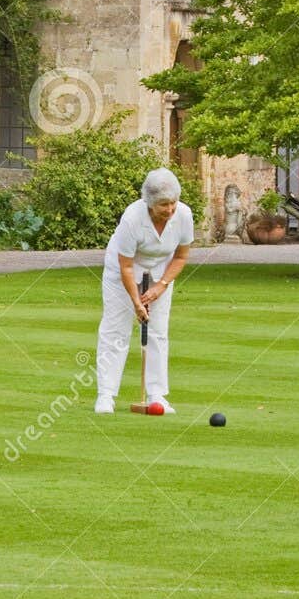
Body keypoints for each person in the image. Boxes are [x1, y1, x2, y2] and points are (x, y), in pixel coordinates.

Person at [94, 168, 193, 414]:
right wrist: (137, 303)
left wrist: (161, 286)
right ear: (149, 202)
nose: (170, 209)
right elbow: (126, 266)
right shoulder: (132, 218)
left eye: (173, 202)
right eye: (163, 204)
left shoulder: (183, 215)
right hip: (122, 271)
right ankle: (106, 395)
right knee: (115, 329)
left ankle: (157, 395)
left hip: (161, 270)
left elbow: (181, 257)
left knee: (158, 331)